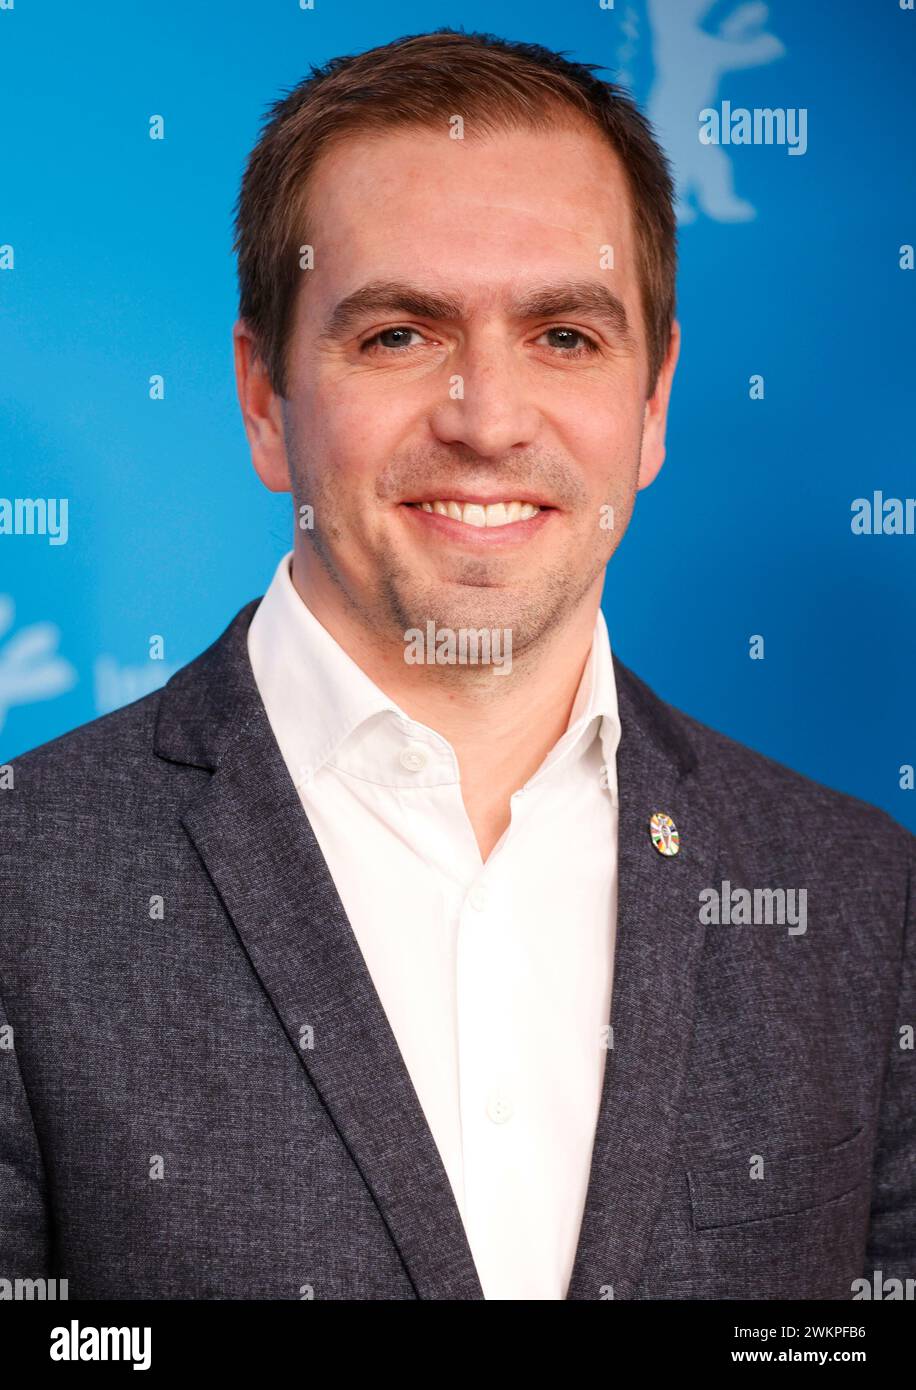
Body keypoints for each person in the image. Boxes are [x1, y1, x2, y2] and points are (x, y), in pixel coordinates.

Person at [1, 30, 912, 1302]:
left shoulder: (863, 897)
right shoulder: (22, 882)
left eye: (564, 336)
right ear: (263, 400)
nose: (486, 418)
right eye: (397, 335)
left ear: (651, 407)